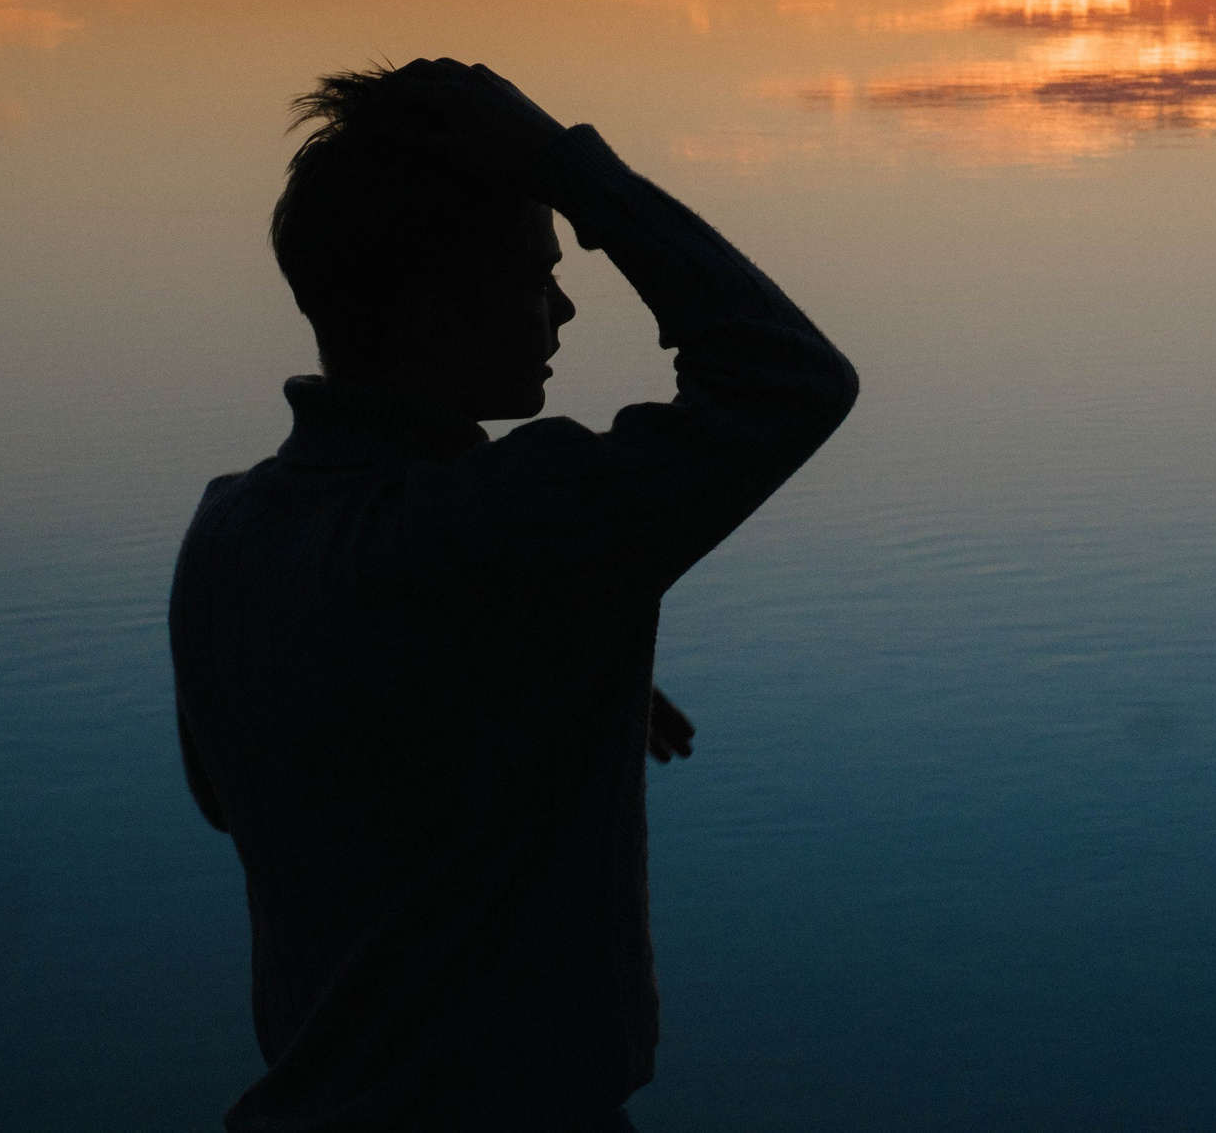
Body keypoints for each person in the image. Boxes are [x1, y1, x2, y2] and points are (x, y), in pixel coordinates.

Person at [169, 59, 858, 1132]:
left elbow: (251, 786)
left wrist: (534, 673)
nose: (568, 303)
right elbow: (787, 378)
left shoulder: (230, 531)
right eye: (536, 278)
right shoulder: (505, 526)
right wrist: (568, 167)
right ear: (435, 320)